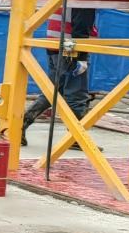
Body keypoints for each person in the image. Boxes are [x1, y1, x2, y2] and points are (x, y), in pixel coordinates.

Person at [21, 9, 96, 146]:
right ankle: (76, 138)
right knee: (76, 95)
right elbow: (81, 28)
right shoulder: (82, 0)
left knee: (53, 91)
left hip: (55, 47)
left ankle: (22, 124)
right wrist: (81, 57)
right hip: (70, 50)